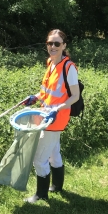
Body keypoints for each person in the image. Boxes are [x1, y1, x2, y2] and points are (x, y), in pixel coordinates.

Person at [23, 29, 80, 203]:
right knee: (53, 153)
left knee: (39, 158)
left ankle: (41, 194)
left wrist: (57, 109)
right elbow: (46, 92)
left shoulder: (68, 67)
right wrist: (35, 98)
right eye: (50, 43)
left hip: (56, 118)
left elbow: (75, 96)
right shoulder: (51, 63)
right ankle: (56, 186)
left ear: (64, 45)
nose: (53, 46)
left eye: (57, 43)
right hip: (45, 115)